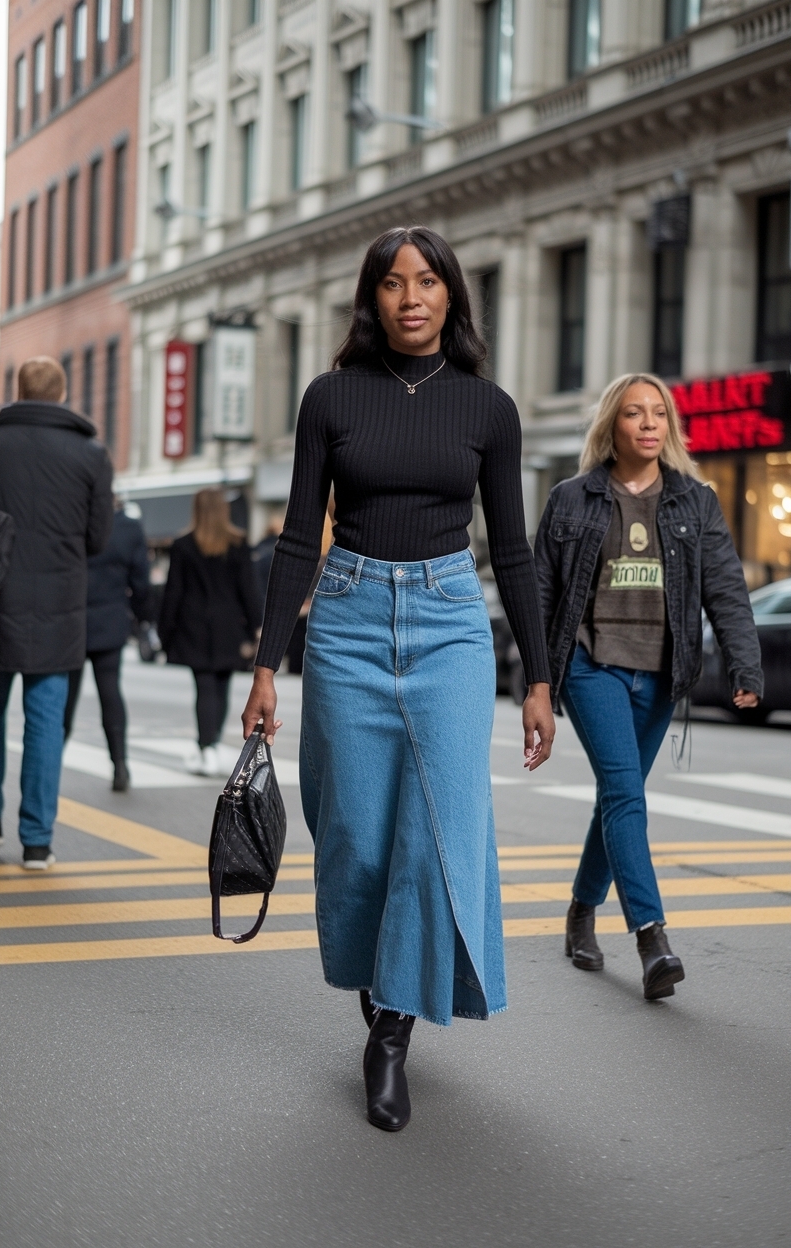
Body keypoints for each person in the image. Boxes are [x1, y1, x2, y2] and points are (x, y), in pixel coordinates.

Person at [242, 226, 555, 1132]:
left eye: (426, 281)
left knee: (438, 827)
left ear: (452, 295)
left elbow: (512, 549)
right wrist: (265, 665)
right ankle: (380, 983)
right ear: (371, 299)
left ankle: (391, 1029)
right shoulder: (330, 397)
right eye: (392, 283)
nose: (410, 297)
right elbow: (298, 535)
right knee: (355, 835)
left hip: (451, 621)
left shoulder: (488, 408)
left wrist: (539, 679)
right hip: (346, 619)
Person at [534, 373, 763, 1001]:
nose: (648, 424)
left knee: (619, 795)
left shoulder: (695, 501)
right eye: (634, 413)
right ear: (613, 424)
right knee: (624, 791)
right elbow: (543, 593)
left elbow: (725, 588)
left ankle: (581, 912)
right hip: (592, 664)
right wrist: (538, 682)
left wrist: (744, 667)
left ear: (670, 426)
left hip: (662, 673)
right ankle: (651, 936)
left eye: (658, 413)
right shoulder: (572, 499)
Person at [0, 356, 113, 869]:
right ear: (62, 392)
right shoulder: (90, 453)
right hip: (60, 604)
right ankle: (37, 841)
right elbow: (98, 539)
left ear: (18, 389)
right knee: (46, 721)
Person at [159, 489, 262, 777]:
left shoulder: (183, 545)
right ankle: (213, 744)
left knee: (203, 687)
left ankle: (206, 748)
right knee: (222, 686)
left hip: (193, 625)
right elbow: (249, 590)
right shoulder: (238, 543)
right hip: (229, 626)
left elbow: (173, 592)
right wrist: (255, 627)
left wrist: (164, 633)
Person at [63, 500, 151, 793]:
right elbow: (141, 580)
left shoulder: (72, 521)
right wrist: (140, 617)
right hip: (111, 619)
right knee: (110, 692)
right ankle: (120, 764)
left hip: (72, 620)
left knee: (64, 698)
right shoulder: (127, 527)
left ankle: (50, 764)